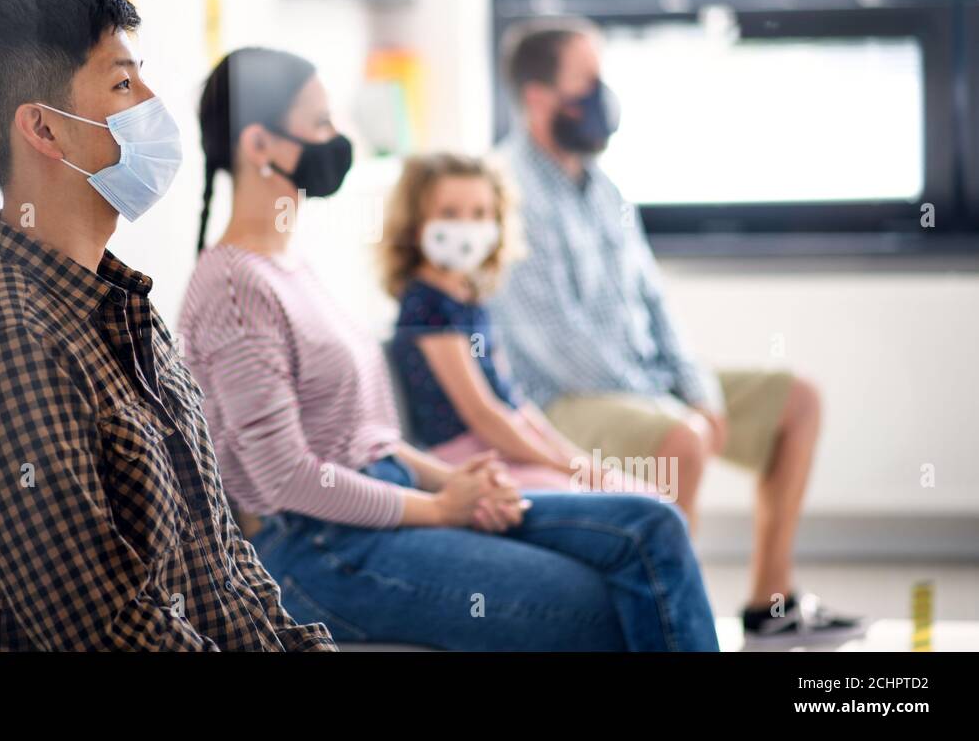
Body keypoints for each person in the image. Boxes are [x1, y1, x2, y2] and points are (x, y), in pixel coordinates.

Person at [176, 46, 720, 651]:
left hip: (377, 511)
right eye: (322, 122)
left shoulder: (292, 266)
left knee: (654, 525)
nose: (339, 139)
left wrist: (458, 482)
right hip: (321, 551)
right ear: (260, 145)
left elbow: (373, 443)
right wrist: (440, 509)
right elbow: (285, 481)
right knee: (609, 598)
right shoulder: (233, 286)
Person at [0, 0, 336, 651]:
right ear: (44, 128)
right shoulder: (8, 344)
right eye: (122, 85)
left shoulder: (121, 309)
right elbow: (112, 636)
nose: (152, 103)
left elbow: (224, 568)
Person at [490, 18, 864, 646]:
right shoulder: (507, 191)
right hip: (562, 404)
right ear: (538, 96)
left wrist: (695, 387)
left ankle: (770, 606)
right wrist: (670, 405)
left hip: (645, 382)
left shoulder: (602, 187)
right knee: (681, 438)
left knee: (796, 401)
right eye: (589, 82)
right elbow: (562, 349)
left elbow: (654, 301)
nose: (603, 96)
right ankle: (666, 626)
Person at [380, 152, 659, 498]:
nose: (466, 227)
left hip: (508, 446)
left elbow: (511, 401)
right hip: (471, 460)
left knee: (639, 493)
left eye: (480, 214)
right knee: (610, 500)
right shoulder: (426, 305)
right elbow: (483, 415)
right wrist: (564, 467)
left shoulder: (471, 298)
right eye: (449, 213)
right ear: (416, 221)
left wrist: (578, 461)